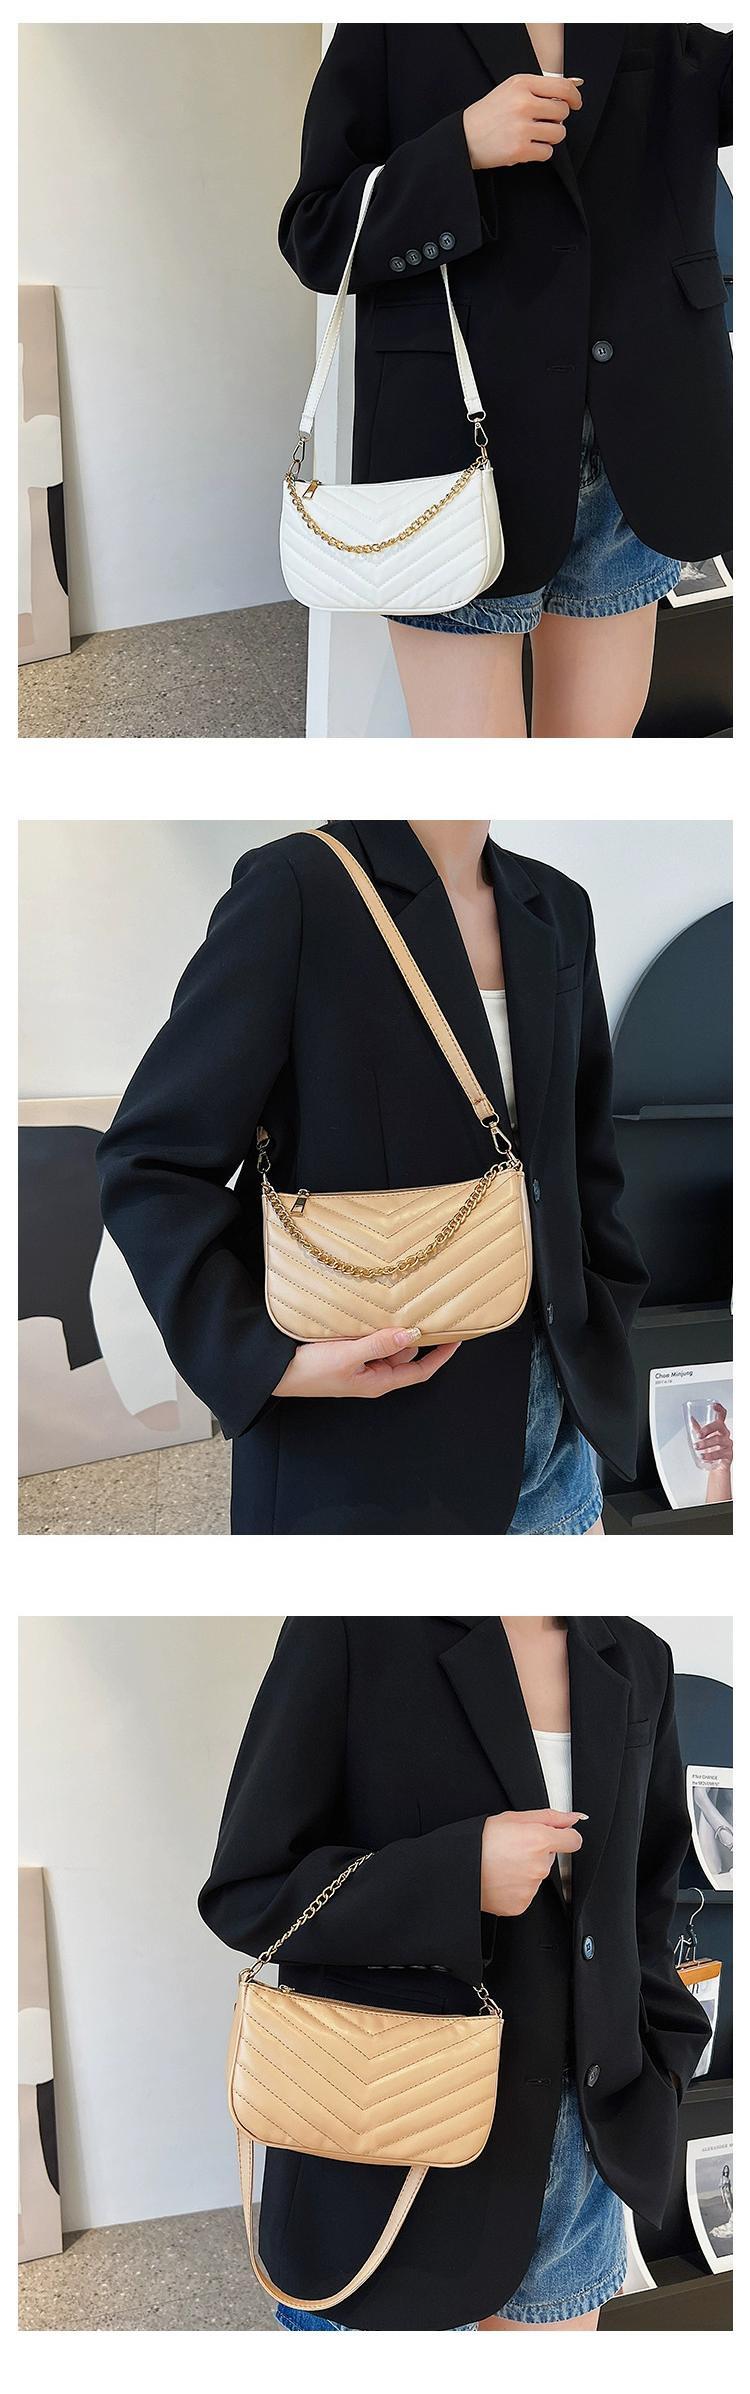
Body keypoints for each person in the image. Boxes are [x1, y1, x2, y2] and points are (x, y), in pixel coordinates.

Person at [97, 819, 648, 1535]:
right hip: (369, 1450)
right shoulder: (299, 888)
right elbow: (151, 1161)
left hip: (560, 1442)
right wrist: (264, 1359)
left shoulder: (557, 905)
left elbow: (582, 1145)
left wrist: (605, 1308)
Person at [199, 1614, 711, 2329]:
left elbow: (645, 1893)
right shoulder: (353, 1626)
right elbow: (249, 1892)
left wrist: (668, 2055)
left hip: (584, 2147)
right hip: (392, 2134)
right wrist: (457, 1874)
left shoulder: (636, 1654)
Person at [279, 23, 732, 738]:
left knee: (586, 777)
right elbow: (318, 233)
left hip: (636, 448)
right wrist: (457, 149)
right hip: (454, 453)